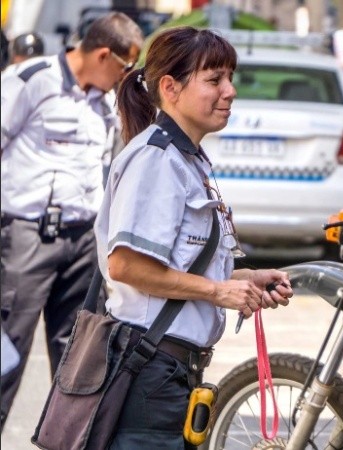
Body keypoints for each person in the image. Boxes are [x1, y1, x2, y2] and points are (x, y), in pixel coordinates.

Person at [98, 26, 294, 446]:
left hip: (171, 371)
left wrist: (244, 280)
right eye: (214, 79)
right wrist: (218, 292)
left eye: (230, 78)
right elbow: (126, 265)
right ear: (170, 88)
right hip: (148, 371)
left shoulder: (187, 160)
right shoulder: (156, 160)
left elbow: (178, 267)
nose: (230, 91)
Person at [0, 12, 144, 431]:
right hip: (28, 236)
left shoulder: (108, 100)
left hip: (84, 240)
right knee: (8, 350)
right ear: (103, 55)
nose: (126, 77)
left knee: (78, 356)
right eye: (125, 67)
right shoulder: (31, 80)